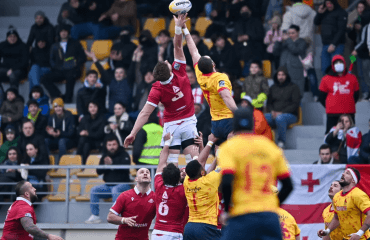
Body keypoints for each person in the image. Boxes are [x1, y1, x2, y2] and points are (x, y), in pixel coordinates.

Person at [125, 14, 199, 164]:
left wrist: (133, 133)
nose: (167, 60)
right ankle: (195, 185)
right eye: (166, 62)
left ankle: (171, 186)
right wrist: (178, 27)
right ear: (170, 70)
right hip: (188, 121)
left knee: (171, 164)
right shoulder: (180, 72)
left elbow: (145, 113)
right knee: (192, 160)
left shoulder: (156, 88)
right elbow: (178, 46)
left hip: (171, 125)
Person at [217, 107, 294, 240]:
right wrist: (274, 205)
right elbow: (288, 185)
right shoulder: (270, 147)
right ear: (253, 124)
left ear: (234, 124)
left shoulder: (229, 147)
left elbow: (227, 181)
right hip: (269, 217)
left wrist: (228, 211)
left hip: (243, 214)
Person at [183, 15, 238, 147]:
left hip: (215, 121)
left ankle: (218, 168)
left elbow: (193, 50)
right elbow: (225, 96)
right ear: (213, 64)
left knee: (219, 147)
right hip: (227, 118)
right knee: (234, 145)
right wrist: (239, 113)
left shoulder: (200, 75)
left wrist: (185, 29)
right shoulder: (220, 77)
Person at [85, 135, 131, 224]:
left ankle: (116, 216)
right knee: (94, 190)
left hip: (124, 185)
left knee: (115, 189)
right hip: (108, 186)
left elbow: (125, 168)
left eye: (114, 144)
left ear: (117, 144)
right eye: (109, 145)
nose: (112, 147)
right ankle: (95, 216)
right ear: (106, 146)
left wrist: (112, 164)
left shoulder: (124, 154)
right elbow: (98, 171)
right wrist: (106, 165)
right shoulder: (105, 156)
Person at [182, 133, 221, 240]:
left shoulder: (187, 181)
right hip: (206, 227)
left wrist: (209, 144)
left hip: (189, 227)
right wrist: (218, 148)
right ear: (202, 173)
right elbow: (222, 164)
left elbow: (200, 163)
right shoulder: (209, 181)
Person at [152, 133, 188, 239]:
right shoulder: (182, 190)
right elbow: (197, 174)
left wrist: (167, 143)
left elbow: (161, 163)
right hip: (174, 233)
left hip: (157, 232)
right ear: (179, 179)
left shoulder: (158, 185)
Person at [318, 167, 370, 240]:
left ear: (353, 180)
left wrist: (359, 233)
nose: (343, 174)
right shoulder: (337, 196)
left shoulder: (358, 194)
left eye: (347, 173)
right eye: (344, 172)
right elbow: (336, 218)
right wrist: (327, 230)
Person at [41, 24, 86, 103]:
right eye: (61, 31)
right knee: (44, 78)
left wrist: (76, 65)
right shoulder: (55, 45)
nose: (63, 33)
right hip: (59, 70)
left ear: (68, 32)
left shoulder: (75, 43)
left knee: (70, 76)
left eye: (65, 31)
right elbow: (51, 60)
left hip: (73, 69)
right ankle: (59, 96)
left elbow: (83, 57)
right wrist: (57, 67)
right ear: (59, 33)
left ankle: (68, 100)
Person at [107, 168, 156, 240]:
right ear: (136, 179)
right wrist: (124, 220)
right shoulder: (124, 195)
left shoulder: (156, 197)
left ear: (150, 179)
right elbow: (110, 217)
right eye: (141, 172)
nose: (145, 173)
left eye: (147, 172)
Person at [319, 55, 359, 134]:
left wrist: (348, 103)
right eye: (336, 62)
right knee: (331, 136)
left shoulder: (352, 78)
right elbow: (321, 97)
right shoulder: (326, 79)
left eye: (340, 62)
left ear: (344, 63)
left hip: (348, 114)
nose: (338, 64)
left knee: (350, 136)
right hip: (332, 114)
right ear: (332, 65)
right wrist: (330, 105)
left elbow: (356, 95)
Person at [265, 67, 301, 149]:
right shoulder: (273, 87)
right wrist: (272, 111)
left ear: (287, 76)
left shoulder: (294, 87)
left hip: (290, 115)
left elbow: (295, 104)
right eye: (279, 75)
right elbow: (269, 103)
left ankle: (281, 142)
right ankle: (265, 141)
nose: (281, 77)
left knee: (280, 118)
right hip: (274, 114)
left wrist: (281, 112)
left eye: (283, 75)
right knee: (262, 118)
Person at [314, 0, 348, 76]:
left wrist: (334, 44)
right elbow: (316, 22)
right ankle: (326, 87)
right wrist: (319, 12)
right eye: (327, 4)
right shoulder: (324, 12)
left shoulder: (341, 12)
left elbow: (341, 30)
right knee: (325, 69)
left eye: (330, 4)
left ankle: (336, 87)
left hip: (337, 45)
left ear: (334, 3)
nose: (329, 5)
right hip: (325, 44)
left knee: (337, 69)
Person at [232, 3, 265, 77]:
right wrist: (238, 38)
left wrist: (249, 37)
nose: (244, 12)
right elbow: (233, 37)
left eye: (246, 10)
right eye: (242, 10)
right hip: (240, 51)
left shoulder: (256, 21)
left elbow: (261, 35)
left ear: (250, 11)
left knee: (248, 73)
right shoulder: (238, 22)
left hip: (253, 50)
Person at [273, 25, 307, 94]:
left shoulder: (302, 42)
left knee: (296, 92)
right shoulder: (285, 42)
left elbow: (295, 51)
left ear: (298, 33)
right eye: (289, 33)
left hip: (295, 71)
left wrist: (288, 40)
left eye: (293, 33)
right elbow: (275, 53)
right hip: (283, 70)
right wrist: (278, 42)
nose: (290, 35)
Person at [45, 98, 76, 164]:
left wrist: (60, 134)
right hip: (56, 140)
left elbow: (71, 133)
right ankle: (49, 162)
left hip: (68, 140)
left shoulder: (69, 115)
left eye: (60, 106)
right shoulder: (52, 117)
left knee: (61, 141)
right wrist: (50, 133)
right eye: (56, 107)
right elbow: (49, 130)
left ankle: (60, 164)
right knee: (45, 141)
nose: (58, 108)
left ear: (63, 107)